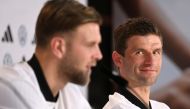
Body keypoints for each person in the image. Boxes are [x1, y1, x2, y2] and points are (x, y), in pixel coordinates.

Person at [0, 0, 102, 109]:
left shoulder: (70, 94)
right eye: (90, 45)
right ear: (58, 47)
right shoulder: (11, 85)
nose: (99, 55)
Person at [103, 17, 170, 109]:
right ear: (118, 59)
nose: (151, 61)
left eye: (155, 52)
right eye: (140, 52)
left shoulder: (162, 107)